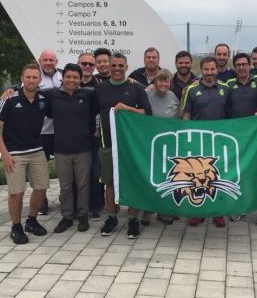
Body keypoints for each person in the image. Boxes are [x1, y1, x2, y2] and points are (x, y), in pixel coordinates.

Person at [95, 53, 152, 239]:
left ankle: (133, 219)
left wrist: (128, 109)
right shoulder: (101, 88)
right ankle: (112, 217)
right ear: (109, 67)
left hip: (131, 144)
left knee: (132, 181)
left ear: (126, 67)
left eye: (121, 65)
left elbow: (146, 113)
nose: (117, 68)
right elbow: (94, 112)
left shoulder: (136, 88)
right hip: (108, 142)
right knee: (109, 183)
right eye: (114, 65)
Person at [0, 64, 50, 244]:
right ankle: (16, 227)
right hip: (15, 153)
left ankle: (31, 221)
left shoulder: (43, 99)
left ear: (40, 80)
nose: (32, 80)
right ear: (22, 78)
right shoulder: (9, 98)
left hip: (36, 150)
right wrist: (5, 155)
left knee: (41, 188)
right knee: (17, 193)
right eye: (28, 77)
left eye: (35, 77)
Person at [45, 63, 96, 234]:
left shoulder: (88, 95)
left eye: (75, 77)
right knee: (65, 186)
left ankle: (83, 216)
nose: (72, 80)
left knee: (83, 185)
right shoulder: (52, 95)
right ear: (63, 78)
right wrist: (12, 89)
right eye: (68, 77)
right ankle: (67, 217)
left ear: (80, 79)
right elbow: (30, 89)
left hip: (83, 148)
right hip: (61, 149)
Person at [182, 57, 230, 228]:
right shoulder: (192, 90)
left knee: (218, 177)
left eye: (212, 69)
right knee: (198, 178)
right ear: (201, 71)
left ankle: (217, 212)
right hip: (198, 142)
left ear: (217, 70)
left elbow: (230, 116)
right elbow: (186, 115)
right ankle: (198, 211)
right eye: (206, 70)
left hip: (219, 142)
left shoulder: (226, 89)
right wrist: (187, 140)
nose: (209, 73)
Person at [225, 52, 257, 222]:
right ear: (234, 67)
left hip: (255, 136)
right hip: (235, 135)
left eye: (244, 64)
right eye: (238, 65)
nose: (241, 67)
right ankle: (238, 206)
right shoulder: (228, 84)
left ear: (250, 65)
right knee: (237, 171)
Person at [143, 68, 180, 225]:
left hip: (168, 144)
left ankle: (164, 211)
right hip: (150, 143)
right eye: (160, 80)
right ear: (155, 82)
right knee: (150, 176)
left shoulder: (173, 97)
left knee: (166, 176)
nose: (163, 83)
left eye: (166, 80)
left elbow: (180, 118)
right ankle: (147, 210)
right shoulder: (147, 94)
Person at [77, 53, 103, 220]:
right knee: (76, 174)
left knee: (94, 172)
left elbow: (102, 108)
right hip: (75, 136)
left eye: (90, 64)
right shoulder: (70, 82)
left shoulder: (99, 85)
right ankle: (76, 206)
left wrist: (98, 129)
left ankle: (95, 205)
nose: (87, 66)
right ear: (78, 64)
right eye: (84, 63)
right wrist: (14, 88)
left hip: (93, 135)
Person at [37, 49, 62, 215]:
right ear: (40, 61)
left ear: (56, 61)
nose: (48, 62)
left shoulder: (63, 75)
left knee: (64, 168)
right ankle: (41, 201)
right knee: (40, 169)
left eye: (51, 60)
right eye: (45, 60)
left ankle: (65, 198)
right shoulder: (33, 77)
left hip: (61, 130)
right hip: (41, 132)